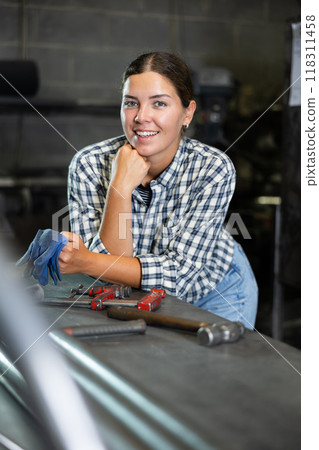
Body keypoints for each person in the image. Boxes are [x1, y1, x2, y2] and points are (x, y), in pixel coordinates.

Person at [59, 51, 258, 329]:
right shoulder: (89, 164)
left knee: (213, 371)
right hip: (139, 295)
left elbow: (180, 276)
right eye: (131, 103)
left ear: (187, 113)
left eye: (159, 104)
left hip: (216, 291)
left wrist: (85, 261)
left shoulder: (212, 168)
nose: (142, 117)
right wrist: (120, 186)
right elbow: (111, 277)